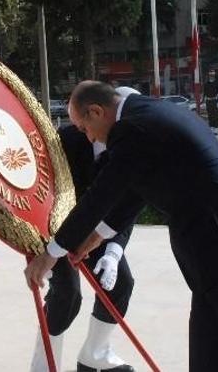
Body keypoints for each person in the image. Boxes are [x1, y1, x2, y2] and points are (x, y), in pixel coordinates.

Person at [25, 81, 218, 372]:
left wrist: (52, 252)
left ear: (96, 111)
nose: (88, 138)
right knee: (209, 350)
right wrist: (97, 235)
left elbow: (102, 194)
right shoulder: (147, 115)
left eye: (84, 128)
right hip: (213, 246)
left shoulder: (131, 129)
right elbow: (133, 191)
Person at [30, 87, 143, 372]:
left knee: (120, 283)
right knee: (67, 295)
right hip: (53, 227)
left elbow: (127, 205)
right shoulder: (67, 140)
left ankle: (95, 354)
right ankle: (44, 365)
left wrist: (114, 252)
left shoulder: (133, 147)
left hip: (94, 230)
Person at [204, 69, 218, 135]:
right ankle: (211, 128)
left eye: (212, 74)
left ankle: (216, 128)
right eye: (210, 74)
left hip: (214, 100)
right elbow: (204, 92)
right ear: (209, 75)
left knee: (215, 115)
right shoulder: (206, 83)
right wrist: (203, 101)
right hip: (208, 100)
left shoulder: (217, 83)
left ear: (214, 75)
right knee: (210, 115)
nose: (211, 76)